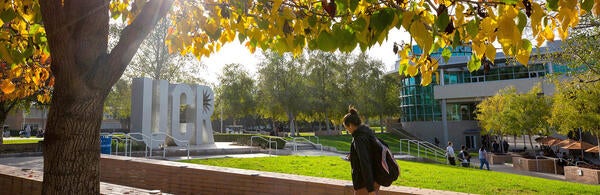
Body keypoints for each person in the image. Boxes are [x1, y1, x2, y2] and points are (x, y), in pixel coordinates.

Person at [343, 107, 380, 195]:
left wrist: (370, 189)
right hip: (376, 178)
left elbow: (365, 163)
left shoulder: (359, 138)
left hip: (365, 183)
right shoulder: (368, 133)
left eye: (346, 127)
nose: (347, 130)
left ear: (351, 125)